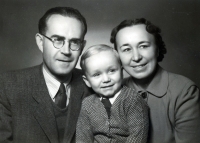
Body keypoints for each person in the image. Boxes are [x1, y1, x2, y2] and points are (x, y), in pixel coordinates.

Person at [0, 7, 93, 143]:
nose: (66, 51)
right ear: (40, 42)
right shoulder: (7, 86)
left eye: (74, 42)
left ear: (82, 46)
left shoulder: (95, 85)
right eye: (57, 40)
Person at [110, 18, 200, 143]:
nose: (136, 57)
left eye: (143, 46)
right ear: (118, 56)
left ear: (157, 49)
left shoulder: (184, 91)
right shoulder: (113, 91)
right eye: (126, 49)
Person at [76, 44, 149, 143]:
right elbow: (83, 137)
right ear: (87, 81)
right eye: (97, 74)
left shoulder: (132, 99)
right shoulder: (87, 104)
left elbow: (138, 135)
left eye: (112, 71)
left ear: (122, 72)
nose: (106, 79)